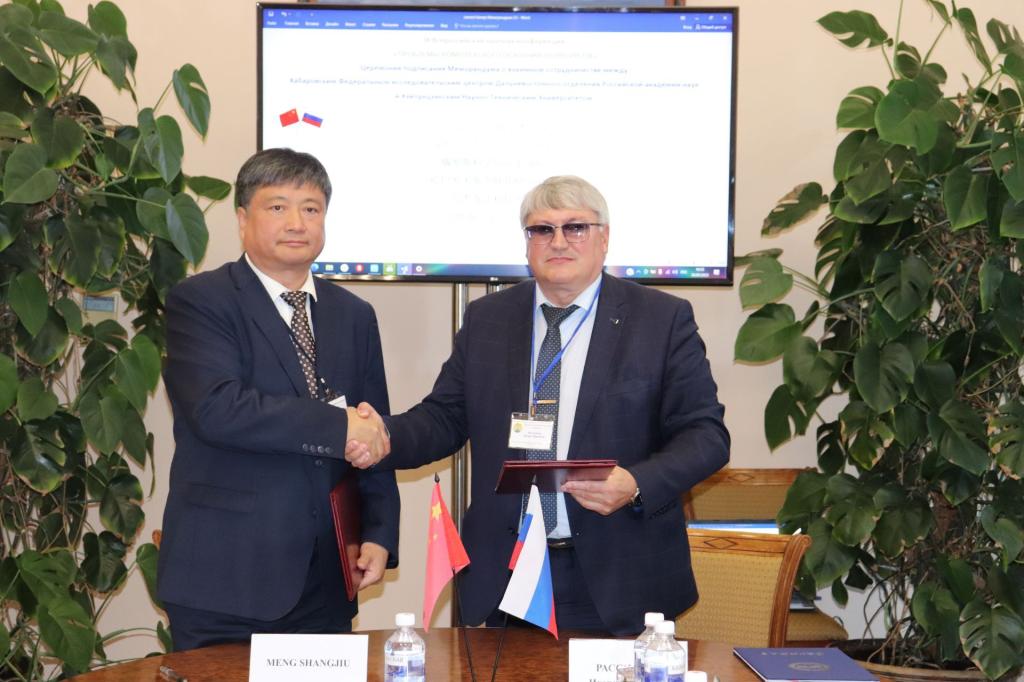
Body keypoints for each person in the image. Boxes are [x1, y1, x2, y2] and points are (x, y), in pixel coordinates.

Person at [348, 175, 729, 635]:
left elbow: (706, 436)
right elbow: (444, 417)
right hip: (509, 572)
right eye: (542, 229)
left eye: (576, 227)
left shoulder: (660, 319)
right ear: (526, 242)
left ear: (604, 238)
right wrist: (382, 435)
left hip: (619, 575)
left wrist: (635, 483)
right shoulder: (489, 317)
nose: (559, 241)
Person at [157, 148, 398, 651]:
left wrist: (378, 531)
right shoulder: (201, 300)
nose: (296, 223)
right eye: (278, 207)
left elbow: (373, 427)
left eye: (311, 209)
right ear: (243, 218)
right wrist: (339, 427)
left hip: (326, 582)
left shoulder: (354, 314)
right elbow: (218, 408)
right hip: (226, 580)